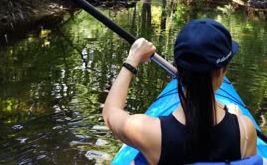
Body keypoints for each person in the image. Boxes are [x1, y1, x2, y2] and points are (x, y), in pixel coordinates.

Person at [102, 19, 257, 164]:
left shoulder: (150, 133)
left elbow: (110, 113)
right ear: (220, 72)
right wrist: (238, 118)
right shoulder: (245, 130)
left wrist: (133, 59)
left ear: (179, 68)